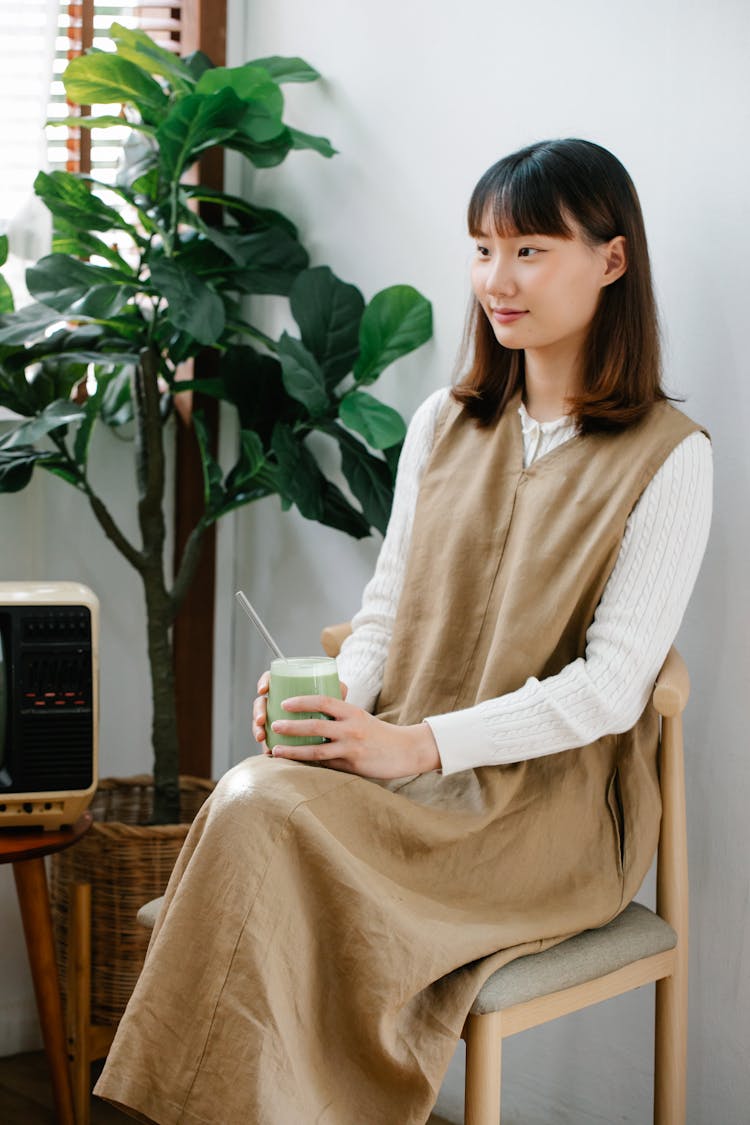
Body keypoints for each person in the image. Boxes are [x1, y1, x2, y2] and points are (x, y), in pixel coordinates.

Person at [95, 138, 712, 1125]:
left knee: (259, 816)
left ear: (611, 259)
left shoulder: (669, 459)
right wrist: (342, 708)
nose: (495, 280)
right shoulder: (445, 421)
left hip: (543, 825)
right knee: (259, 794)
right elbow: (385, 610)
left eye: (529, 250)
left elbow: (610, 688)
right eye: (481, 249)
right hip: (408, 780)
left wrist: (419, 744)